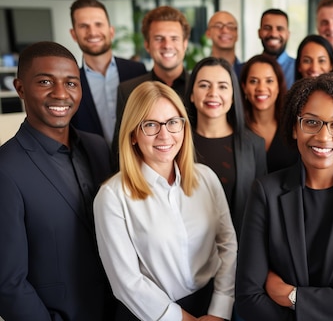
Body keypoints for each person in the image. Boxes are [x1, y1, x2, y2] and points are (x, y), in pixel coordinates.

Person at [235, 72, 333, 320]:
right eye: (311, 122)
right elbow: (248, 299)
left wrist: (292, 296)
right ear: (295, 128)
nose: (323, 136)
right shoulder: (265, 192)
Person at [94, 81, 237, 321]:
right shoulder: (111, 197)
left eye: (173, 123)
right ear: (132, 135)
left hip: (212, 306)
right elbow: (126, 282)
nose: (165, 135)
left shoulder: (206, 178)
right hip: (151, 314)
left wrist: (219, 311)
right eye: (150, 124)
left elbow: (228, 245)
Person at [0, 41, 115, 320]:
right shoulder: (6, 168)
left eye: (71, 83)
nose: (61, 93)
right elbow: (7, 283)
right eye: (45, 81)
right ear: (20, 88)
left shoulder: (98, 147)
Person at [184, 56, 267, 236]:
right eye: (204, 85)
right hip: (184, 249)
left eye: (222, 86)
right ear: (191, 94)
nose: (213, 93)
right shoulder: (175, 142)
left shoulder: (254, 145)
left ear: (233, 95)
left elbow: (260, 210)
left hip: (238, 249)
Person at [69, 0, 147, 146]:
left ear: (111, 31)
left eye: (98, 24)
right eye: (84, 26)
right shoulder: (70, 82)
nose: (92, 32)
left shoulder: (138, 71)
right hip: (93, 166)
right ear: (74, 34)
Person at [114, 6, 191, 154]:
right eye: (159, 38)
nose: (167, 45)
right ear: (147, 45)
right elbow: (120, 148)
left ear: (185, 43)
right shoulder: (128, 90)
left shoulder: (200, 89)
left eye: (174, 38)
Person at [240, 54, 298, 173]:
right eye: (253, 81)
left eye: (269, 81)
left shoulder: (293, 127)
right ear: (244, 87)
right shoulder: (235, 128)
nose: (261, 88)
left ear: (278, 86)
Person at [258, 8, 296, 88]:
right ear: (259, 33)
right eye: (267, 28)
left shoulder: (299, 68)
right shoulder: (247, 68)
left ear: (288, 34)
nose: (273, 34)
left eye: (280, 29)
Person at [207, 11, 245, 78]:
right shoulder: (200, 72)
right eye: (218, 26)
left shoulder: (247, 73)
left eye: (230, 26)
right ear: (208, 33)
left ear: (237, 34)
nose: (225, 30)